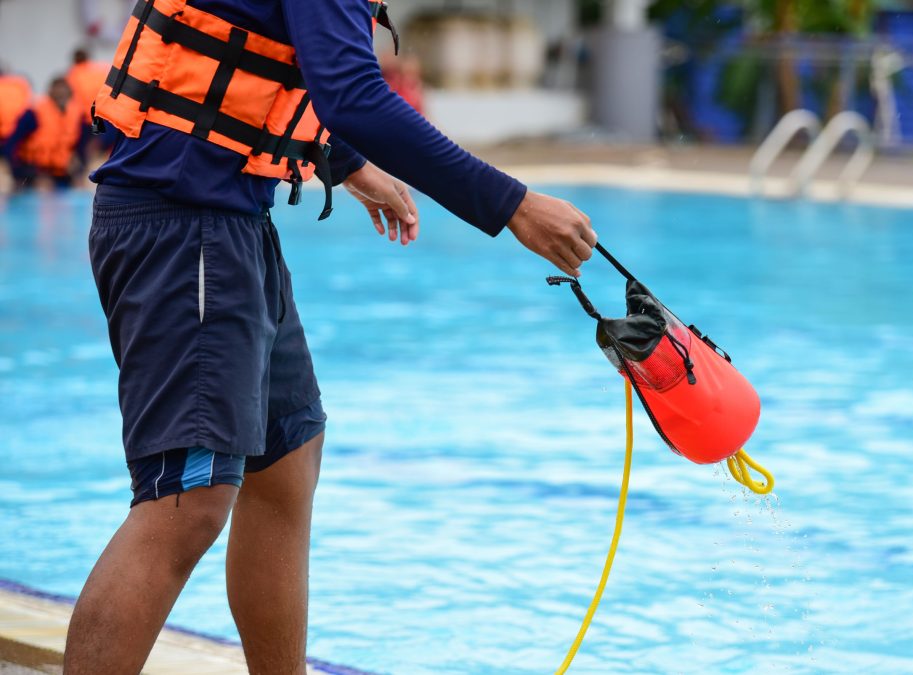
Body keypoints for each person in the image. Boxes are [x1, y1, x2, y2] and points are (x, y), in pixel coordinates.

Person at [66, 1, 596, 673]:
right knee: (187, 502)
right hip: (184, 230)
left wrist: (343, 163)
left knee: (287, 461)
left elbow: (285, 61)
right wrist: (512, 203)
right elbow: (350, 94)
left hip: (228, 226)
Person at [1, 77, 85, 189]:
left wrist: (79, 170)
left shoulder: (77, 115)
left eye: (65, 93)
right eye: (58, 93)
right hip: (33, 172)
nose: (61, 96)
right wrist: (18, 173)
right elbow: (11, 143)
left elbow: (81, 147)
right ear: (50, 92)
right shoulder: (34, 113)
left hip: (62, 174)